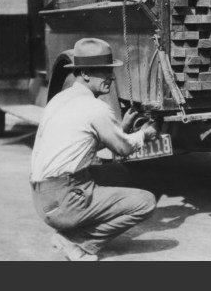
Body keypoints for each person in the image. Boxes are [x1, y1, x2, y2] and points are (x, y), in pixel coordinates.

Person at [30, 38, 157, 261]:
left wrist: (123, 128)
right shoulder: (96, 107)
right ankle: (77, 241)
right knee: (145, 202)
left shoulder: (60, 99)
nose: (111, 76)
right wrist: (143, 134)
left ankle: (74, 225)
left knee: (118, 173)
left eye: (110, 71)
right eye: (104, 71)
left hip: (42, 197)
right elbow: (124, 149)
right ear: (86, 74)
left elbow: (82, 140)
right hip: (65, 198)